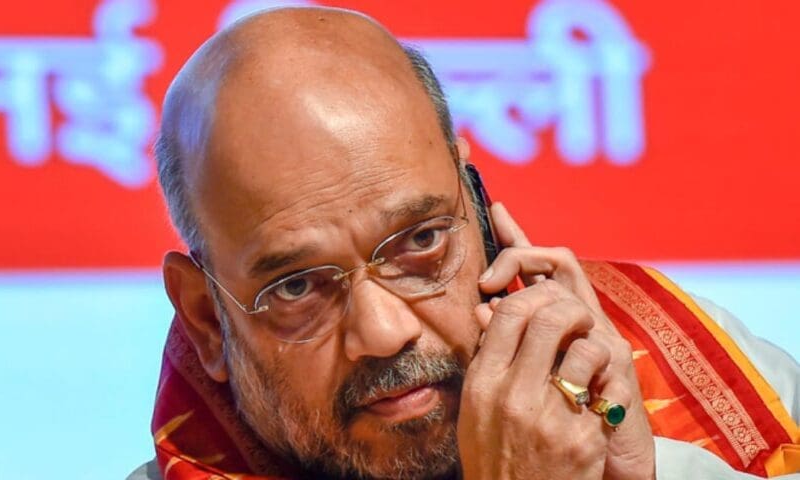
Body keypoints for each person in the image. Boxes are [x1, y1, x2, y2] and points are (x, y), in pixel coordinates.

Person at [131, 6, 799, 480]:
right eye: (297, 286)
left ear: (479, 212)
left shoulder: (692, 359)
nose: (385, 331)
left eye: (420, 240)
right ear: (206, 318)